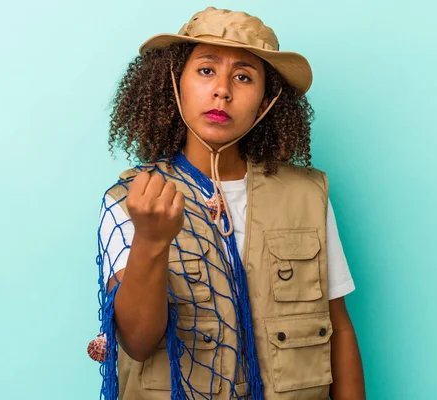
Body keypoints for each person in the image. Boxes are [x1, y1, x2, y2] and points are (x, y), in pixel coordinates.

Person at [92, 6, 365, 400]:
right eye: (206, 70)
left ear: (267, 100)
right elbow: (136, 341)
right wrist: (151, 241)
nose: (223, 89)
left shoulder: (308, 195)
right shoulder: (131, 199)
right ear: (175, 82)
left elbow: (338, 326)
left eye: (243, 76)